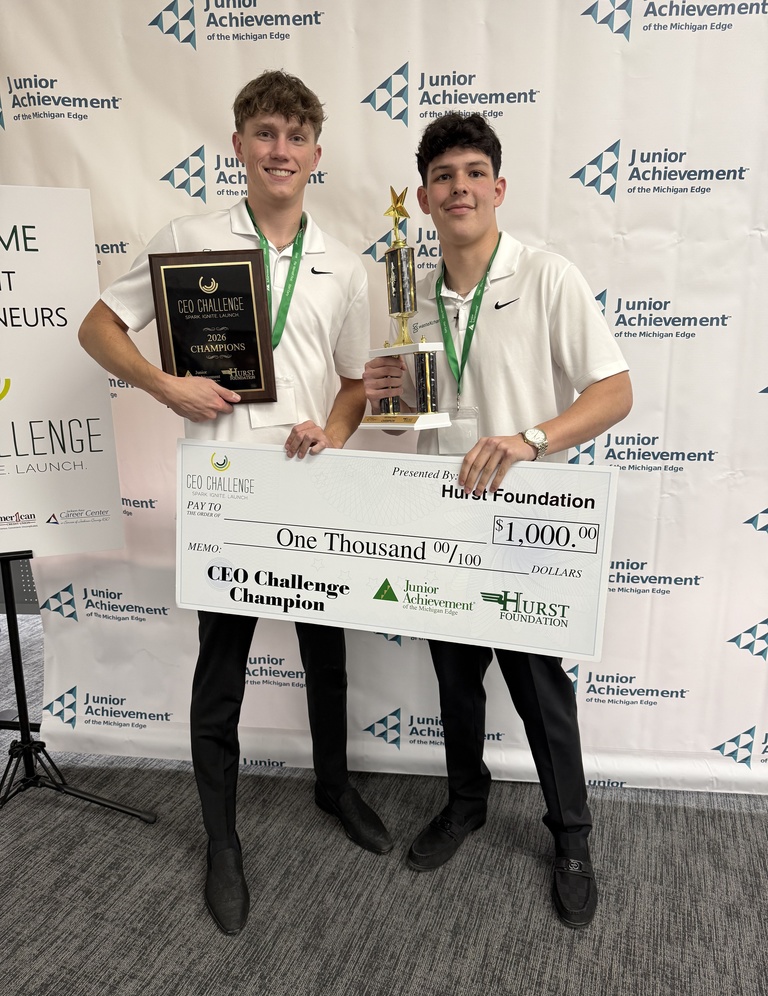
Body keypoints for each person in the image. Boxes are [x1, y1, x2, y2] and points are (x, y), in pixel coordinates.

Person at [79, 71, 392, 937]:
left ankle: (334, 787)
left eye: (296, 136)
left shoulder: (345, 267)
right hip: (226, 491)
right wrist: (164, 384)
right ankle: (222, 839)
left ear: (317, 154)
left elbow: (354, 384)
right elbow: (97, 326)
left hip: (309, 489)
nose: (280, 150)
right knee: (222, 670)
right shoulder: (190, 240)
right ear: (239, 146)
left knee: (326, 654)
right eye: (265, 133)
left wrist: (333, 430)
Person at [363, 112, 632, 928]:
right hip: (443, 523)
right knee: (455, 681)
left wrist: (531, 439)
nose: (460, 188)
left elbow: (615, 392)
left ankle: (572, 836)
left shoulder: (546, 275)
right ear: (424, 197)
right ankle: (465, 802)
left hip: (522, 528)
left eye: (474, 173)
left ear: (499, 187)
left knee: (540, 689)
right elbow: (405, 422)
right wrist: (385, 399)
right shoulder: (408, 293)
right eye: (444, 176)